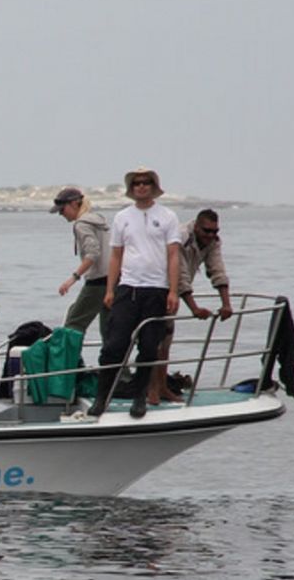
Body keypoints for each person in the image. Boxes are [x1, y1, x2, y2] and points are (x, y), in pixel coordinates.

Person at [91, 167, 181, 419]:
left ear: (153, 186)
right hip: (128, 288)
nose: (141, 187)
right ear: (132, 189)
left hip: (156, 289)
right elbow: (116, 255)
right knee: (114, 345)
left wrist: (173, 291)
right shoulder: (122, 217)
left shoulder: (167, 216)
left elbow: (174, 255)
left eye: (146, 183)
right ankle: (102, 397)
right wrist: (110, 289)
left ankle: (140, 396)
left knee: (150, 347)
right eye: (137, 183)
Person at [145, 208, 234, 404]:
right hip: (156, 287)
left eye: (215, 231)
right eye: (206, 231)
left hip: (173, 293)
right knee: (154, 340)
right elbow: (180, 274)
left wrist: (226, 303)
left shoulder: (213, 242)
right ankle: (151, 389)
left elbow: (217, 269)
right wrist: (194, 308)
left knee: (166, 340)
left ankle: (162, 387)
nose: (211, 235)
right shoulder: (181, 236)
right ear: (196, 226)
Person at [51, 186, 111, 341]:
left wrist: (73, 278)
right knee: (109, 327)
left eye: (62, 209)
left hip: (97, 282)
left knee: (73, 324)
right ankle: (116, 364)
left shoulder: (81, 224)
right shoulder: (99, 220)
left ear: (74, 204)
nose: (60, 214)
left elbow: (93, 253)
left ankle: (69, 363)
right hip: (114, 280)